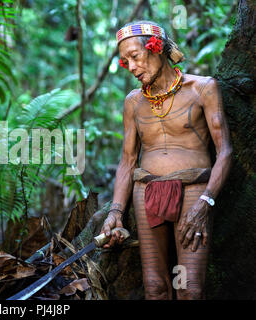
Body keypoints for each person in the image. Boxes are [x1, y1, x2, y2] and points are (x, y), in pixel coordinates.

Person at [99, 21, 232, 300]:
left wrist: (205, 202)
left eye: (135, 57)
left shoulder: (203, 89)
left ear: (156, 47)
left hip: (193, 190)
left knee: (190, 289)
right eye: (125, 62)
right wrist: (115, 212)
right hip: (146, 191)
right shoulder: (133, 102)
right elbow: (127, 161)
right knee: (155, 288)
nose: (132, 67)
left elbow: (225, 152)